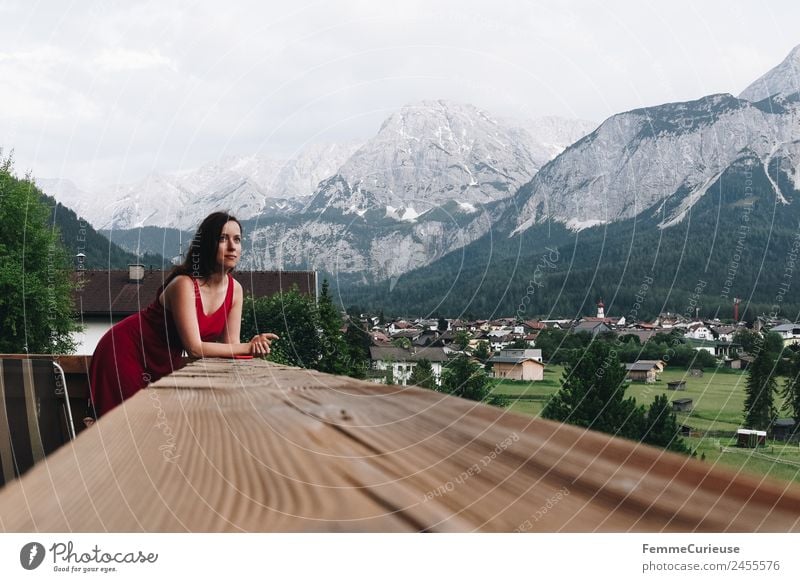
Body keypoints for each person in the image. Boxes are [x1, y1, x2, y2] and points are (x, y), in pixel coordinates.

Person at [88, 212, 278, 417]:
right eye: (223, 238)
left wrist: (254, 347)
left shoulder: (236, 290)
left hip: (162, 360)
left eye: (238, 239)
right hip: (124, 349)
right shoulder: (184, 285)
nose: (233, 246)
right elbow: (194, 348)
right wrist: (248, 347)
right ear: (206, 244)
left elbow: (230, 345)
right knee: (127, 427)